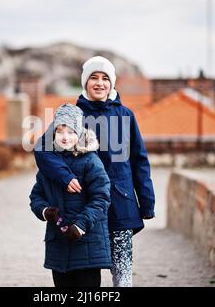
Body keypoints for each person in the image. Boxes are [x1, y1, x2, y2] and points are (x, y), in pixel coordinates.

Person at [34, 56, 156, 287]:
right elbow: (42, 148)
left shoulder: (126, 115)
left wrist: (147, 202)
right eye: (93, 77)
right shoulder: (73, 114)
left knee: (122, 273)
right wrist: (65, 176)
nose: (99, 83)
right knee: (87, 271)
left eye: (105, 78)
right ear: (85, 82)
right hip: (85, 206)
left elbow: (140, 161)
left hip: (121, 204)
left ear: (112, 83)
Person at [29, 103, 112, 287]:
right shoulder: (49, 166)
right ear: (54, 133)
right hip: (58, 245)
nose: (65, 137)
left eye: (71, 131)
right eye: (60, 131)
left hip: (86, 244)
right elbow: (36, 196)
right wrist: (44, 211)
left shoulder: (91, 161)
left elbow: (102, 197)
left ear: (80, 133)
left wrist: (81, 225)